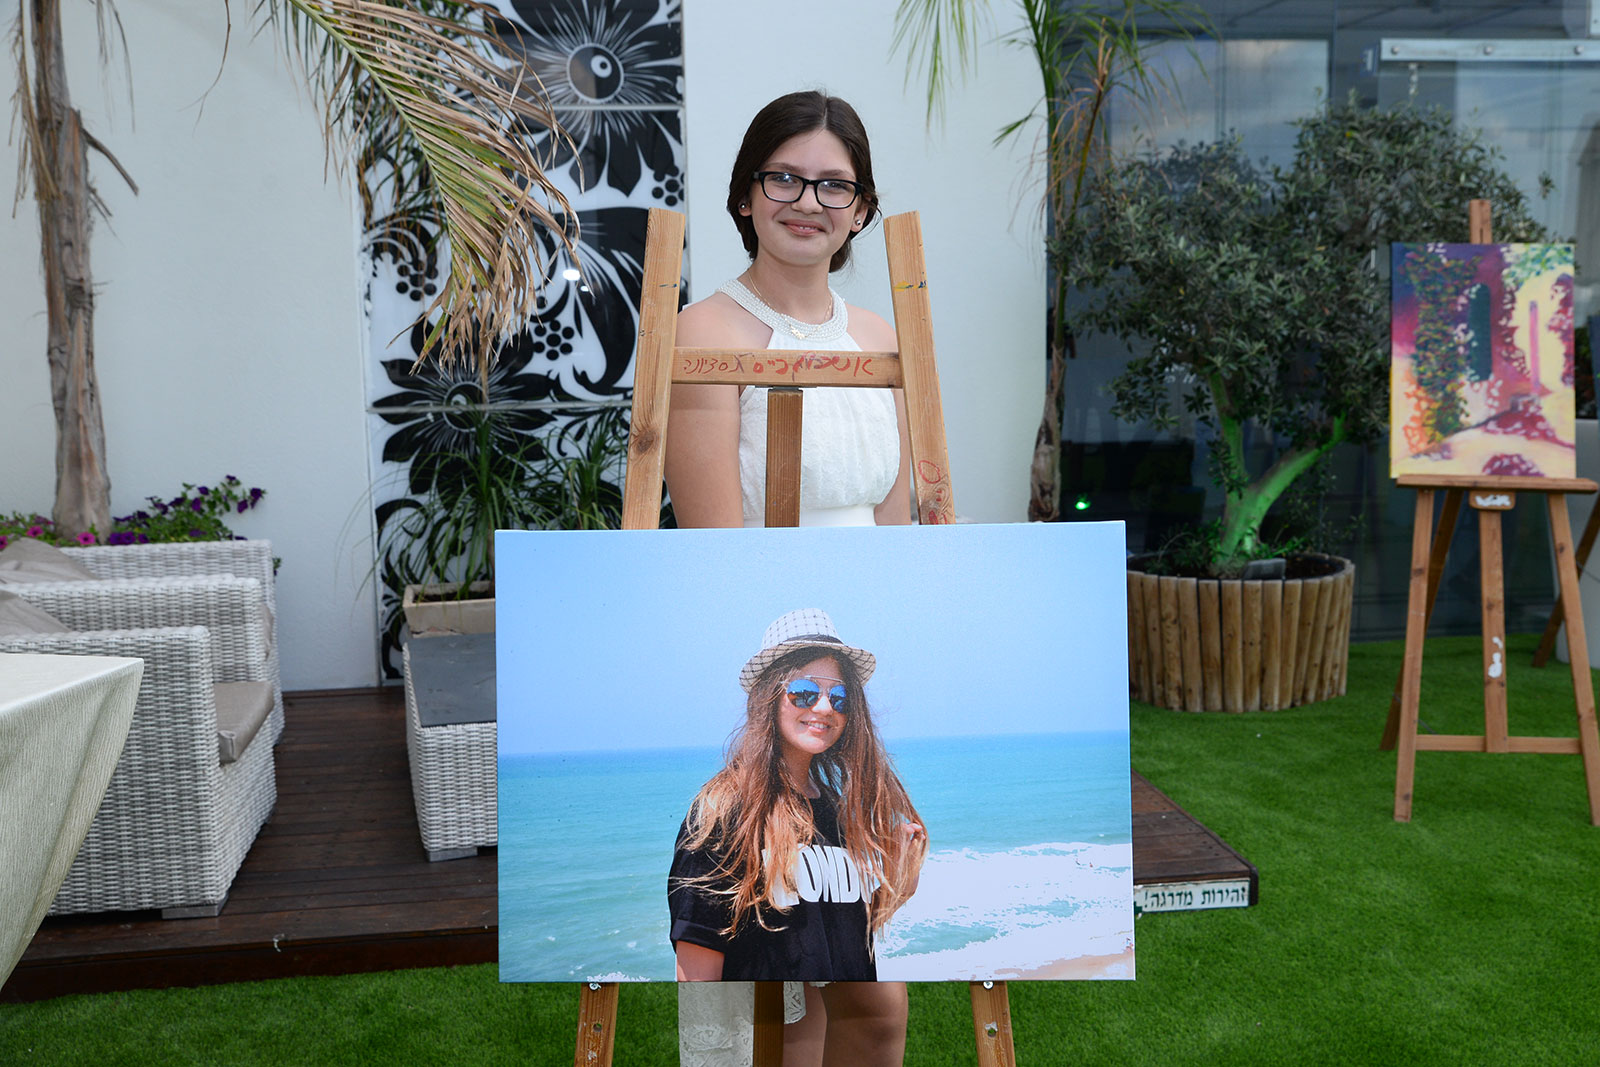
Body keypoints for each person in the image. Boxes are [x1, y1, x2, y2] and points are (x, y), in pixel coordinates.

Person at [663, 90, 918, 1066]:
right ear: (745, 194)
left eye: (833, 185)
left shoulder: (886, 337)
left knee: (872, 1006)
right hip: (774, 642)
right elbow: (714, 543)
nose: (808, 201)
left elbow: (899, 524)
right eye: (785, 177)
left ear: (860, 209)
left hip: (841, 664)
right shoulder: (703, 332)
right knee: (766, 1012)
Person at [669, 610, 926, 1065]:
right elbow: (698, 964)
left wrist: (897, 887)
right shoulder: (724, 810)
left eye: (839, 697)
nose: (824, 708)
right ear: (769, 696)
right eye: (805, 691)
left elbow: (827, 934)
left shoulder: (839, 812)